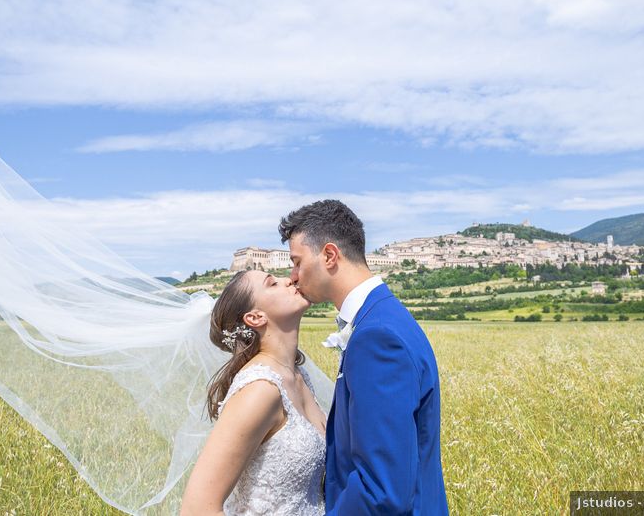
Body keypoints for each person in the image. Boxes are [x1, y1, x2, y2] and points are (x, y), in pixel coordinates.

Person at [280, 199, 450, 515]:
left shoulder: (376, 337)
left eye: (297, 261)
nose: (292, 276)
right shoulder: (383, 316)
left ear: (329, 255)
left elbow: (381, 490)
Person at [180, 270, 328, 516]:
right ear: (255, 317)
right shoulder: (260, 389)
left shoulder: (299, 376)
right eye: (272, 283)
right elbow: (196, 508)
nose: (289, 279)